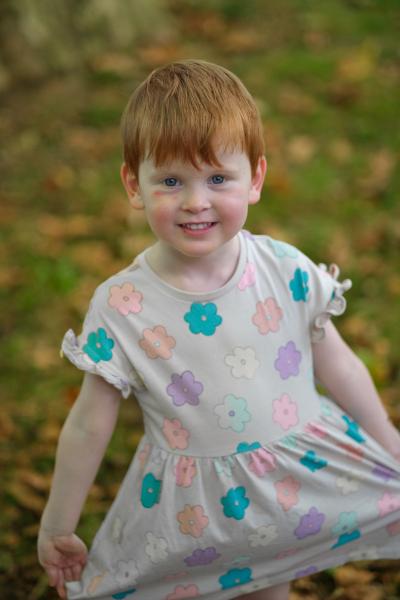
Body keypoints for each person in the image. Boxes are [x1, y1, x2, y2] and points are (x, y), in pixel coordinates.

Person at [38, 59, 400, 600]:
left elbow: (339, 364)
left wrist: (390, 446)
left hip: (296, 488)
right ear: (133, 184)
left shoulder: (285, 270)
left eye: (217, 179)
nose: (195, 201)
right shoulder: (123, 306)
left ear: (255, 178)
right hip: (198, 512)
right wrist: (57, 524)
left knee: (270, 584)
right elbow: (90, 424)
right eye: (170, 181)